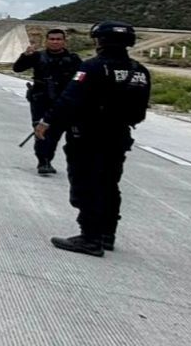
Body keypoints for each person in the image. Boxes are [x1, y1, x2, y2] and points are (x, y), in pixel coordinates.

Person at [35, 21, 151, 257]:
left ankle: (90, 237)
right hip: (118, 136)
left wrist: (47, 122)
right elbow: (139, 112)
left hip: (88, 136)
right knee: (109, 184)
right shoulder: (139, 71)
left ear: (99, 41)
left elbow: (69, 101)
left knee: (86, 185)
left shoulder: (93, 68)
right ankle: (107, 234)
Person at [13, 28, 82, 174]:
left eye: (58, 39)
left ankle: (51, 159)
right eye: (52, 39)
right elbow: (17, 68)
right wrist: (25, 56)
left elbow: (82, 79)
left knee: (56, 132)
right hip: (41, 99)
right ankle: (43, 161)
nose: (55, 42)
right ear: (46, 41)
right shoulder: (37, 56)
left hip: (63, 101)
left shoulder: (73, 59)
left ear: (64, 41)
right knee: (41, 131)